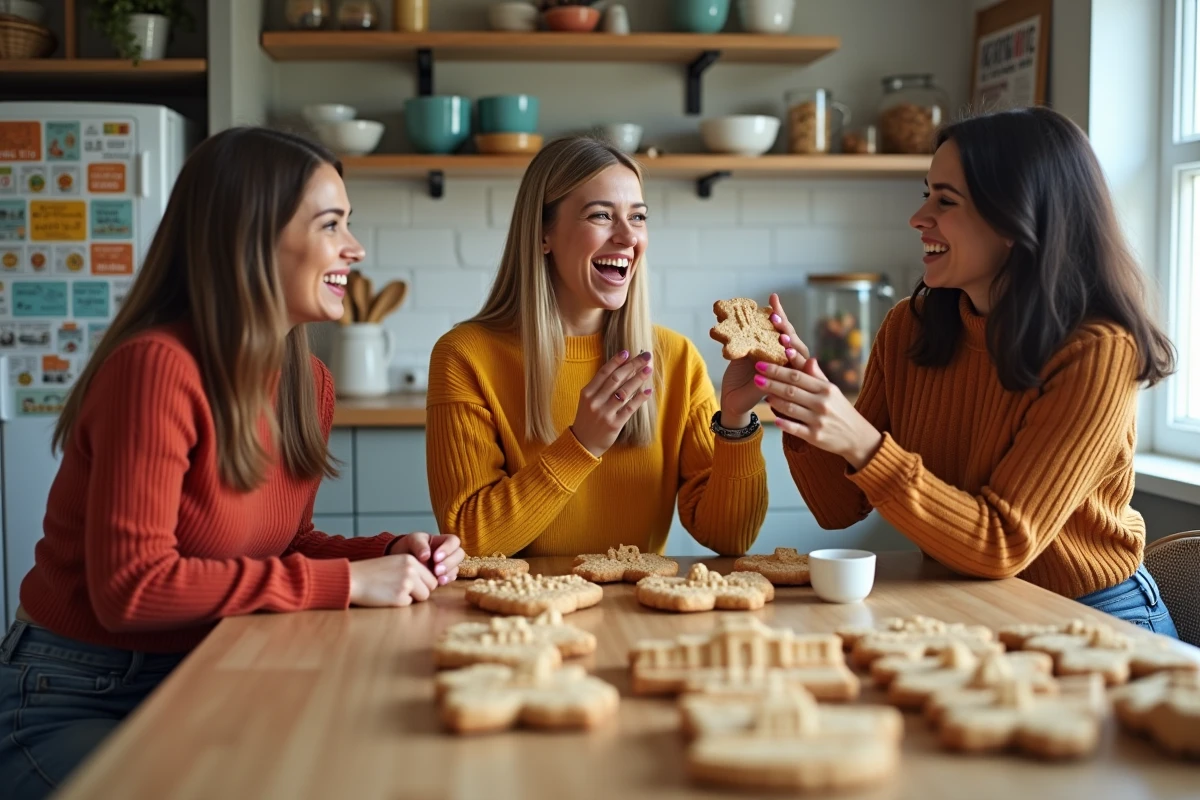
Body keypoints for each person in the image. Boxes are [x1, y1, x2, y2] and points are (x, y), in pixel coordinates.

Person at [0, 127, 465, 799]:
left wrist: (389, 550)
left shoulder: (307, 380)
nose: (355, 250)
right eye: (332, 225)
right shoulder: (158, 367)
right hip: (76, 689)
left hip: (205, 668)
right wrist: (347, 583)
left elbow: (284, 543)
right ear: (251, 237)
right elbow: (132, 587)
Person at [756, 107, 1179, 636]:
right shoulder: (910, 327)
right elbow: (837, 507)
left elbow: (1002, 543)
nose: (919, 217)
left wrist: (862, 442)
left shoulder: (1097, 352)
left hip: (1095, 617)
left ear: (1014, 219)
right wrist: (798, 399)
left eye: (946, 200)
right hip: (971, 606)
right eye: (926, 192)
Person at [426, 136, 769, 557]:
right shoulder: (465, 356)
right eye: (601, 215)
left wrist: (735, 421)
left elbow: (730, 538)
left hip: (638, 615)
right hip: (520, 614)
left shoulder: (675, 360)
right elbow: (471, 540)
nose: (628, 237)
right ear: (543, 234)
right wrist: (581, 446)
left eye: (638, 217)